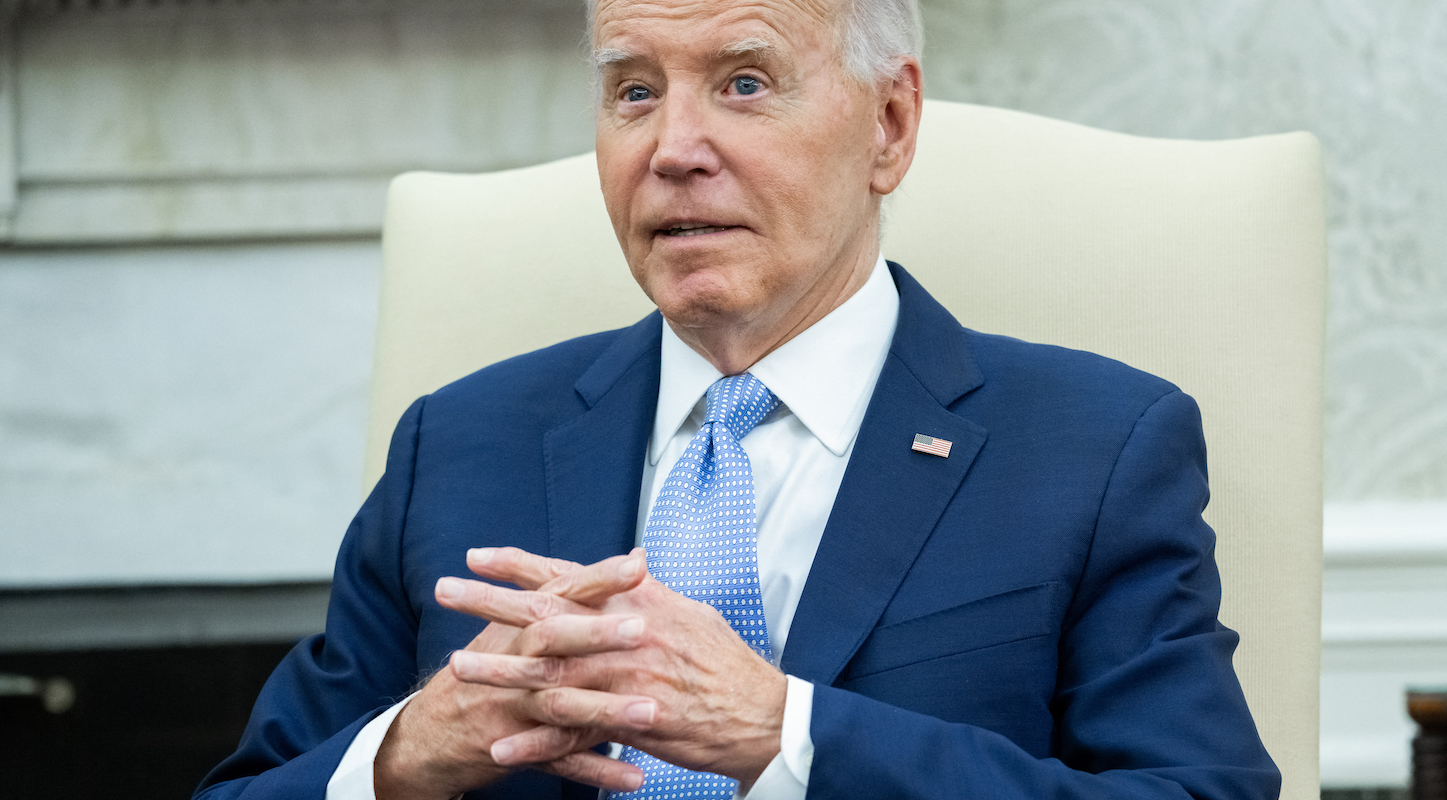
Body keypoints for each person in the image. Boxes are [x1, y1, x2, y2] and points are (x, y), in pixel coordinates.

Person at [197, 0, 1282, 797]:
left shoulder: (1093, 447)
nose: (672, 150)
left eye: (744, 82)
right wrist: (407, 755)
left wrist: (790, 732)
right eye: (633, 90)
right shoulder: (461, 441)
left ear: (890, 126)